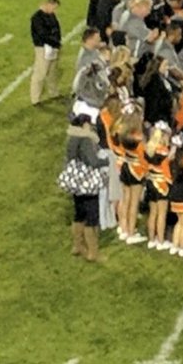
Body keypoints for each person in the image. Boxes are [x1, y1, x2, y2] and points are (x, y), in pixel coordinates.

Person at [65, 112, 107, 262]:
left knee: (79, 214)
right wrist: (106, 161)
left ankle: (77, 246)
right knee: (91, 218)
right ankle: (93, 253)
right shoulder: (85, 140)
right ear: (84, 125)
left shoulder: (71, 138)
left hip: (75, 180)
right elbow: (93, 161)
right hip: (87, 182)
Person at [30, 0, 62, 106]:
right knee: (40, 73)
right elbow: (42, 34)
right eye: (54, 7)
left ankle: (54, 93)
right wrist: (54, 42)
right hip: (43, 48)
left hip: (53, 47)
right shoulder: (37, 18)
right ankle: (35, 99)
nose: (54, 10)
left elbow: (57, 29)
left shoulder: (51, 15)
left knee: (52, 72)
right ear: (48, 4)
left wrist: (57, 42)